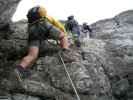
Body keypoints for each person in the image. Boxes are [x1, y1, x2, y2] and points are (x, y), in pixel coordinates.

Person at [14, 5, 69, 81]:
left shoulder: (32, 21)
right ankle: (65, 51)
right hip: (43, 25)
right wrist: (63, 37)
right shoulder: (48, 18)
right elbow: (60, 29)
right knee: (63, 36)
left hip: (32, 29)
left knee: (32, 55)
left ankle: (20, 69)